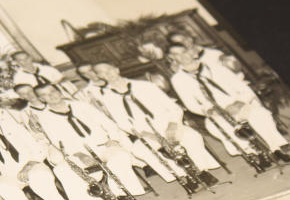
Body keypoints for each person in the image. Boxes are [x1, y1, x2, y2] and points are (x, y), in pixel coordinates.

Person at [93, 61, 221, 187]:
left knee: (192, 137)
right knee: (140, 150)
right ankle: (183, 175)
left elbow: (172, 106)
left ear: (116, 69)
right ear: (100, 77)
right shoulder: (107, 98)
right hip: (145, 132)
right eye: (102, 73)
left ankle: (201, 171)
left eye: (109, 69)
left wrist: (173, 124)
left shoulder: (145, 85)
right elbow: (122, 123)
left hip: (168, 124)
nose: (108, 74)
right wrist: (146, 134)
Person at [167, 45, 290, 164]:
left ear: (191, 51)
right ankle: (255, 154)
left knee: (259, 115)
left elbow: (244, 89)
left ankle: (275, 149)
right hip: (214, 110)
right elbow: (191, 104)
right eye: (176, 54)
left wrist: (239, 103)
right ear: (172, 58)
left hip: (237, 102)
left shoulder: (216, 67)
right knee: (218, 127)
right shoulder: (178, 79)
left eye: (184, 51)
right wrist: (208, 111)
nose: (182, 56)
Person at [34, 83, 148, 200]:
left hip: (103, 145)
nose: (51, 96)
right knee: (63, 170)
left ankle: (121, 196)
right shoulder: (45, 118)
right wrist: (80, 154)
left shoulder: (81, 106)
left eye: (52, 91)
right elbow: (58, 141)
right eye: (45, 95)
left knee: (120, 156)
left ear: (59, 91)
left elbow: (108, 123)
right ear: (41, 99)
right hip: (78, 152)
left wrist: (113, 139)